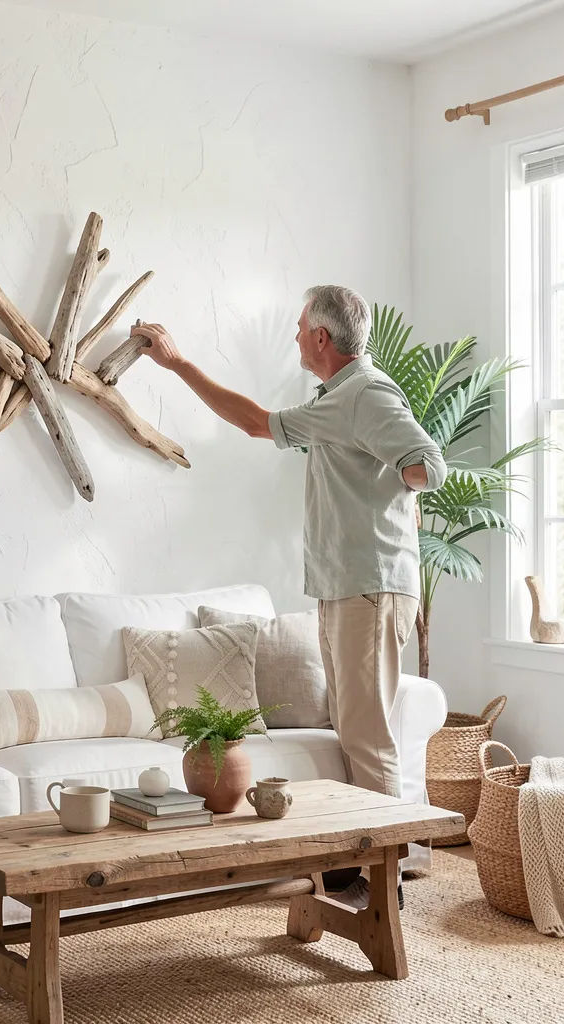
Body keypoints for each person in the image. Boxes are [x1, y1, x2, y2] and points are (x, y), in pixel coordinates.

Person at [137, 284, 447, 910]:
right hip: (343, 588)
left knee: (369, 737)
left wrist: (177, 365)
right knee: (352, 731)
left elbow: (428, 464)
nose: (296, 335)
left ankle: (385, 882)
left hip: (371, 586)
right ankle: (356, 864)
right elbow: (264, 425)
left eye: (301, 325)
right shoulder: (336, 399)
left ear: (322, 339)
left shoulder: (366, 393)